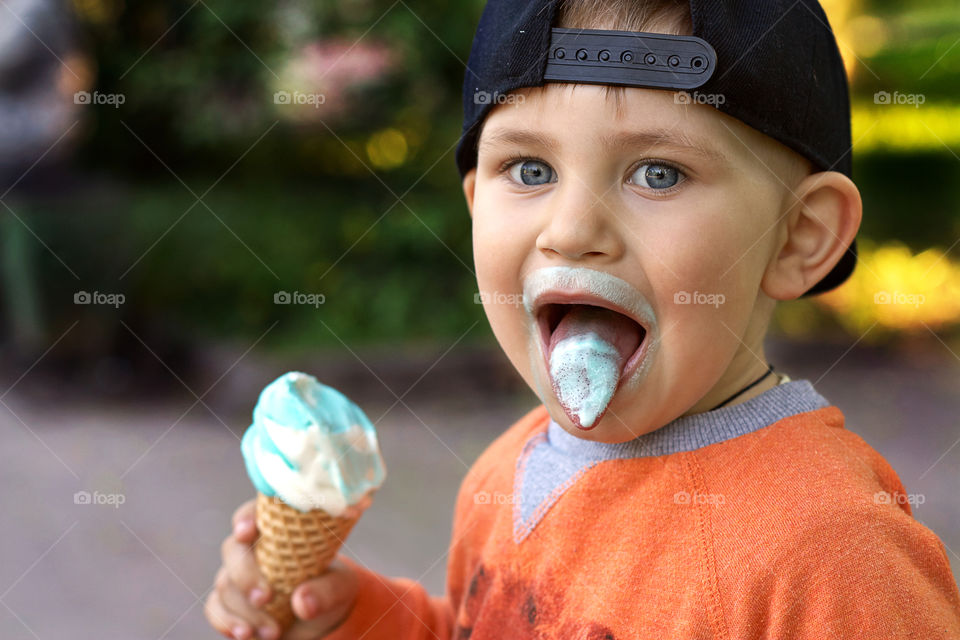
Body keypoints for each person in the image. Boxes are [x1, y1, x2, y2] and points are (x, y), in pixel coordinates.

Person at [205, 0, 960, 637]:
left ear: (801, 236)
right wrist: (357, 618)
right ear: (475, 205)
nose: (570, 229)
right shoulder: (509, 471)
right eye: (530, 171)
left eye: (657, 173)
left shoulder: (830, 551)